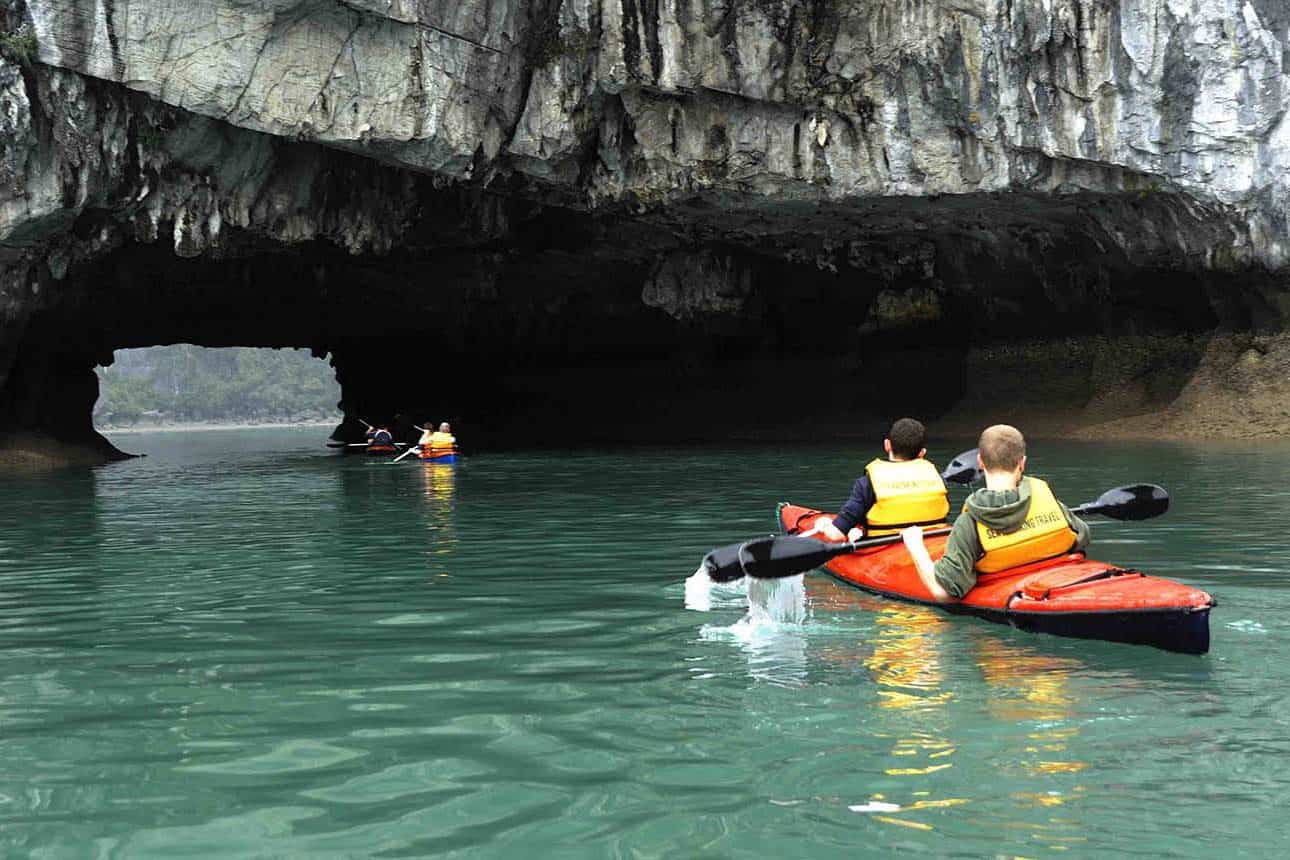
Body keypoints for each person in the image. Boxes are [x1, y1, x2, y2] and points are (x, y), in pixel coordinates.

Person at [901, 424, 1091, 602]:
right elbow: (1082, 537)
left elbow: (944, 593)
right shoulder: (1047, 498)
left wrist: (915, 545)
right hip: (1059, 582)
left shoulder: (969, 522)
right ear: (1022, 463)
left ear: (980, 462)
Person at [814, 417, 949, 542]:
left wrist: (824, 525)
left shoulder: (867, 484)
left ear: (887, 445)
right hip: (935, 545)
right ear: (922, 453)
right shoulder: (938, 479)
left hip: (883, 550)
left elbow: (836, 535)